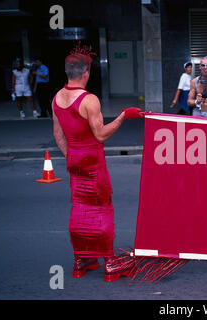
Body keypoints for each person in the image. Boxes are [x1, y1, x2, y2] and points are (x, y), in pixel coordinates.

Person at [52, 43, 144, 282]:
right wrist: (124, 115)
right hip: (93, 161)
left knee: (80, 208)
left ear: (67, 72)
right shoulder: (89, 100)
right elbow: (101, 134)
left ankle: (82, 259)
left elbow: (58, 134)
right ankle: (111, 263)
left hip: (74, 158)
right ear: (86, 73)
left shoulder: (57, 98)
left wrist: (71, 156)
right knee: (102, 209)